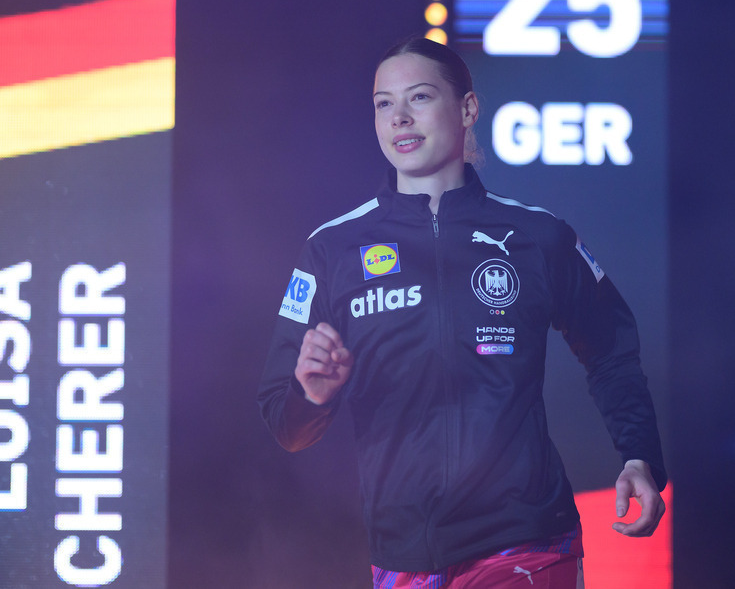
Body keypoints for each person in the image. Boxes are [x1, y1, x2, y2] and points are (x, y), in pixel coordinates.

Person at [257, 37, 666, 588]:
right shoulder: (331, 250)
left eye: (419, 97)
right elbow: (286, 425)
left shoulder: (538, 235)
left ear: (468, 109)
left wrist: (640, 455)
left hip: (526, 539)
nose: (399, 117)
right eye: (383, 103)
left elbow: (612, 352)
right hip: (402, 554)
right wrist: (315, 394)